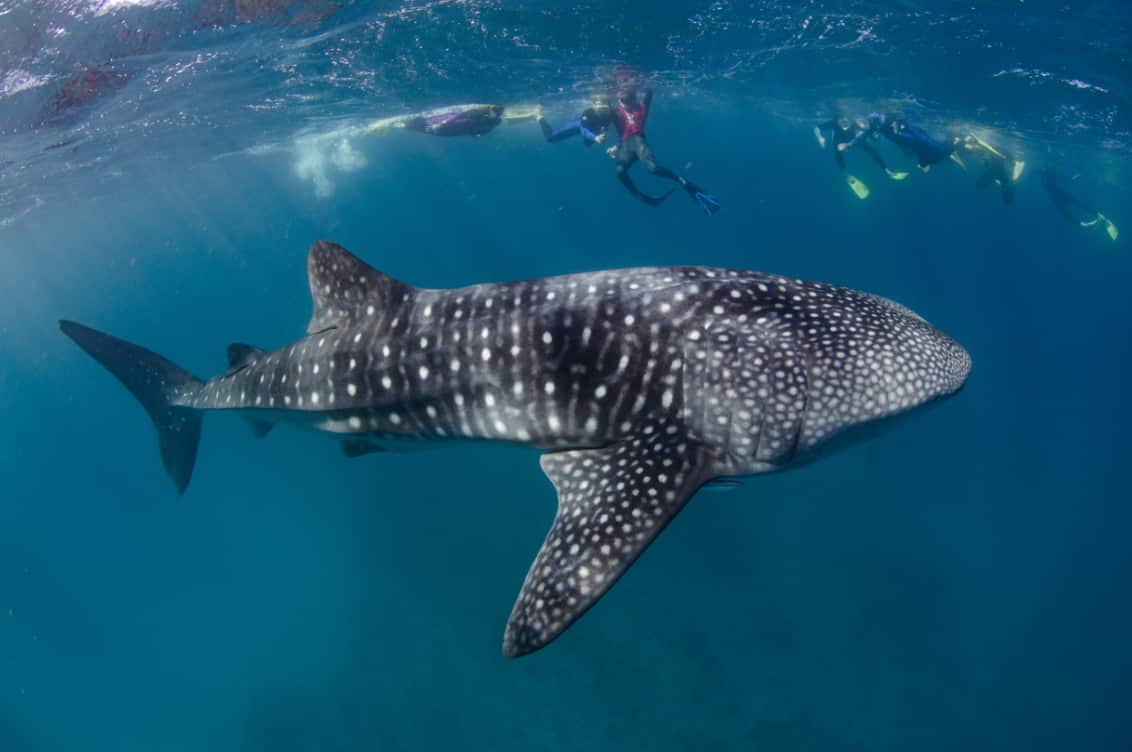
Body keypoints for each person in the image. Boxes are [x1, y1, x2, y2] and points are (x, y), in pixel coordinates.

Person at [607, 86, 721, 215]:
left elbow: (649, 92)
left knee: (653, 168)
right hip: (626, 146)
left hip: (639, 142)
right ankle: (640, 196)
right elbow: (604, 109)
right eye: (623, 99)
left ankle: (683, 182)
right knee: (620, 172)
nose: (626, 101)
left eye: (629, 98)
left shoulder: (641, 108)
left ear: (633, 98)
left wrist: (637, 84)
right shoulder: (616, 112)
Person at [814, 115, 908, 200]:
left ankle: (887, 170)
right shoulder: (833, 121)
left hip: (852, 137)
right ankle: (846, 174)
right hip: (839, 138)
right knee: (838, 150)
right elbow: (817, 128)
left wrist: (865, 130)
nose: (844, 123)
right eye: (842, 121)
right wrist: (819, 138)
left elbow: (867, 127)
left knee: (872, 150)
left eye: (847, 121)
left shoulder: (854, 118)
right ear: (838, 119)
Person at [840, 113, 963, 172]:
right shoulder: (876, 126)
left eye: (878, 121)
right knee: (932, 161)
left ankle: (961, 140)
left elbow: (912, 138)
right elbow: (863, 135)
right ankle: (949, 150)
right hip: (913, 148)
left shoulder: (893, 121)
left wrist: (898, 132)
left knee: (941, 153)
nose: (876, 125)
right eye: (873, 123)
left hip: (921, 140)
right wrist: (849, 144)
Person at [1039, 168, 1119, 241]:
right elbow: (1062, 177)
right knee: (1076, 205)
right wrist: (1072, 178)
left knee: (1067, 211)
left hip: (1057, 196)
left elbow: (1060, 177)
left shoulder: (1046, 174)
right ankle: (1095, 217)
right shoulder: (1050, 172)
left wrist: (1072, 178)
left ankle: (1085, 223)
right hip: (1061, 194)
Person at [957, 134, 1025, 206]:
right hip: (995, 171)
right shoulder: (987, 151)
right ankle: (1008, 192)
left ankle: (1008, 192)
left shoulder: (995, 150)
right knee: (985, 183)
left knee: (1004, 183)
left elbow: (1002, 156)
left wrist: (1012, 162)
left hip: (997, 170)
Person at [369, 104, 505, 137]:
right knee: (421, 123)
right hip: (445, 125)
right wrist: (443, 123)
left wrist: (476, 134)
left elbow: (481, 131)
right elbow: (460, 115)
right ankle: (394, 124)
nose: (497, 114)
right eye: (496, 111)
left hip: (447, 131)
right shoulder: (482, 115)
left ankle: (395, 125)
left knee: (420, 127)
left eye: (498, 112)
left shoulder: (494, 122)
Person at [536, 97, 613, 146]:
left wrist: (601, 133)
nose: (601, 109)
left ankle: (593, 138)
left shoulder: (610, 114)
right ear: (594, 106)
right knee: (550, 138)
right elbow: (584, 130)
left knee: (587, 144)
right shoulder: (588, 113)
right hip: (579, 125)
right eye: (598, 106)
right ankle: (540, 117)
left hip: (592, 128)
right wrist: (595, 137)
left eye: (604, 106)